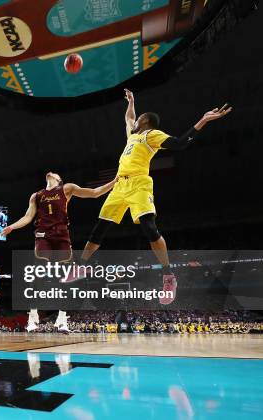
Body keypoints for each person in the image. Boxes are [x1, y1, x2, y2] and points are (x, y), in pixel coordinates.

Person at [79, 89, 232, 304]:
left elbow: (180, 143)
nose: (134, 120)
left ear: (146, 122)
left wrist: (203, 120)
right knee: (99, 229)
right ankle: (81, 267)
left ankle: (168, 276)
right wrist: (131, 101)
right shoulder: (132, 135)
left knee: (149, 227)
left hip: (139, 183)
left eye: (139, 118)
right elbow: (128, 117)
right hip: (120, 185)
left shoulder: (152, 135)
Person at [2, 171, 117, 331]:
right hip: (43, 236)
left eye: (54, 173)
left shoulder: (66, 188)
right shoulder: (36, 195)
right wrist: (12, 227)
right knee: (39, 273)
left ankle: (62, 318)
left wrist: (114, 181)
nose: (50, 172)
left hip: (62, 237)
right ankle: (33, 315)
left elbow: (94, 193)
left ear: (59, 179)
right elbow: (28, 217)